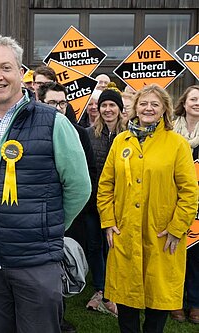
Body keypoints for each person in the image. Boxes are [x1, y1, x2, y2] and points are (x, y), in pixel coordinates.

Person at [0, 35, 91, 333]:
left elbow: (79, 186)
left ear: (22, 72)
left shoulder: (53, 122)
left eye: (5, 67)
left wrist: (48, 225)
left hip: (36, 262)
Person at [97, 83, 198, 333]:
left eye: (155, 104)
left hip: (162, 234)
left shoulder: (177, 144)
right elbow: (105, 185)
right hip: (124, 232)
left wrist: (177, 228)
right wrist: (108, 221)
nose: (148, 108)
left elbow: (189, 191)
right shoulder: (121, 141)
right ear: (135, 108)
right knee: (126, 296)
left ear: (164, 108)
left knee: (159, 295)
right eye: (143, 103)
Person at [37, 81, 98, 333]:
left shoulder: (78, 132)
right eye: (52, 103)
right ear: (40, 102)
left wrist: (70, 214)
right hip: (40, 215)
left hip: (70, 217)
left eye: (62, 102)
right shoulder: (31, 132)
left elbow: (87, 175)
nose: (58, 108)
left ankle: (58, 320)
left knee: (63, 270)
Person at [85, 88, 126, 318]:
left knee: (114, 247)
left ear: (120, 109)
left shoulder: (130, 134)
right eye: (104, 106)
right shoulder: (90, 134)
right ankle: (100, 288)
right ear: (99, 109)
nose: (108, 109)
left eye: (112, 105)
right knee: (95, 246)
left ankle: (115, 290)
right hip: (93, 203)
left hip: (120, 204)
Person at [171, 85, 199, 325]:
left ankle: (195, 304)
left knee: (197, 257)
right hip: (174, 200)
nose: (197, 103)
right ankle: (176, 302)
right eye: (193, 99)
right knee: (177, 255)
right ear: (184, 102)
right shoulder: (171, 129)